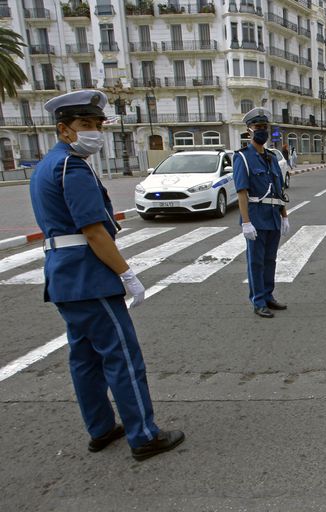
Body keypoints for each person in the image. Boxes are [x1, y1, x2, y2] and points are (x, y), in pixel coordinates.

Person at [29, 90, 184, 461]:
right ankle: (144, 435)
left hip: (64, 278)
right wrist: (126, 273)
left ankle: (100, 428)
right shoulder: (73, 168)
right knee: (122, 356)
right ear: (64, 130)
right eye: (86, 125)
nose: (95, 132)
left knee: (84, 358)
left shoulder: (46, 165)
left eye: (98, 125)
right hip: (88, 276)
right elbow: (95, 231)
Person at [234, 107, 290, 318]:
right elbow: (242, 192)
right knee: (255, 262)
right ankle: (258, 301)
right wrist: (246, 222)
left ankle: (268, 295)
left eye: (264, 127)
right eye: (258, 127)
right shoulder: (243, 158)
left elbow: (278, 190)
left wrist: (284, 215)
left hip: (273, 217)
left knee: (270, 260)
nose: (262, 131)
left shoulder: (271, 158)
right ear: (249, 131)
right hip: (256, 218)